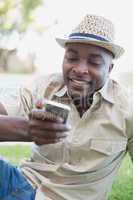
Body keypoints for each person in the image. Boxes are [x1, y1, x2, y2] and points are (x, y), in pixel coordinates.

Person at [0, 14, 133, 200]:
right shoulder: (43, 87)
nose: (79, 69)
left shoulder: (127, 109)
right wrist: (23, 128)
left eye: (94, 62)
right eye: (71, 58)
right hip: (20, 185)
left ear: (110, 69)